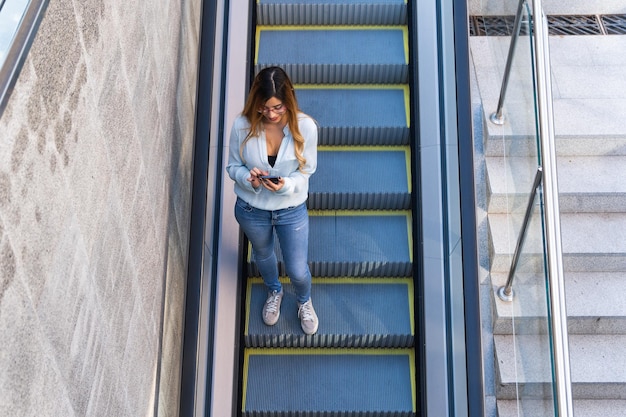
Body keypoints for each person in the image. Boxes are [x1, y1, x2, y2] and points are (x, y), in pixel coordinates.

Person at [226, 66, 319, 335]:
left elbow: (307, 170)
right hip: (251, 209)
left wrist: (286, 185)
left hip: (290, 209)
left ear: (288, 100)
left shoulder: (306, 127)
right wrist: (249, 179)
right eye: (264, 108)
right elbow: (233, 166)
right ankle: (274, 291)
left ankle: (304, 300)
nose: (271, 114)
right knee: (263, 255)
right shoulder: (241, 126)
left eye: (278, 107)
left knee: (298, 270)